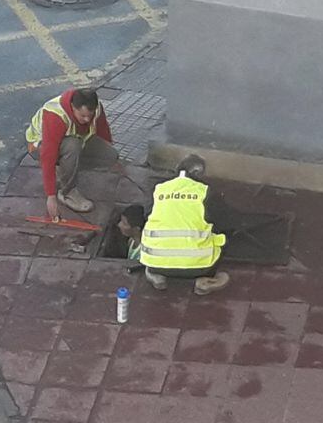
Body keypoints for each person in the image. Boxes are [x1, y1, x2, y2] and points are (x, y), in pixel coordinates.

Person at [139, 155, 230, 295]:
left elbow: (146, 215)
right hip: (201, 266)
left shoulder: (158, 189)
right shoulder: (204, 191)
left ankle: (156, 276)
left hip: (156, 263)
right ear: (198, 174)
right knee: (221, 238)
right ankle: (204, 280)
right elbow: (222, 221)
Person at [25, 88, 118, 219]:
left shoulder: (96, 108)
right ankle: (67, 192)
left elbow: (102, 129)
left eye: (89, 116)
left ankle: (66, 168)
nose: (87, 119)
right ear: (73, 107)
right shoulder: (56, 115)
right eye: (82, 115)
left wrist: (114, 157)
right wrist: (51, 197)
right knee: (73, 145)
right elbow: (48, 156)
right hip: (37, 147)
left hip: (72, 142)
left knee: (110, 156)